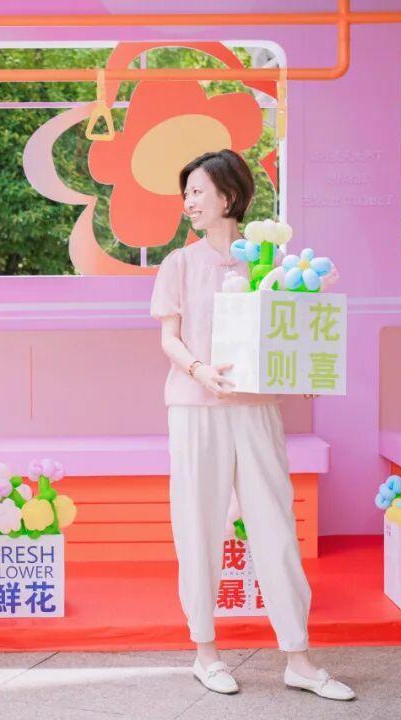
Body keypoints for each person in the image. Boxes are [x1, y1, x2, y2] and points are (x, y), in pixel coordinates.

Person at [149, 149, 354, 701]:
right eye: (186, 193)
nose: (189, 202)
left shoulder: (271, 263)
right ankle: (206, 653)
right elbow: (169, 337)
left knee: (275, 526)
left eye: (198, 191)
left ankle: (299, 659)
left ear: (230, 196)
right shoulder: (179, 264)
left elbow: (294, 329)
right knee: (198, 525)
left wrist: (304, 366)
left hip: (257, 407)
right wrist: (198, 369)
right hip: (195, 407)